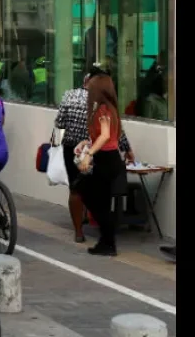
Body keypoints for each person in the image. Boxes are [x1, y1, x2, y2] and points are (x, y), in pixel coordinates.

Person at [55, 69, 134, 243]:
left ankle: (78, 231)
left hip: (73, 149)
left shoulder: (69, 96)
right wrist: (127, 149)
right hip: (98, 151)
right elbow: (115, 132)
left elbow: (59, 123)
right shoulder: (103, 103)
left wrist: (55, 145)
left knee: (75, 188)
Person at [74, 71, 127, 256]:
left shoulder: (103, 109)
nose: (88, 89)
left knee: (87, 192)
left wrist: (89, 153)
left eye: (91, 87)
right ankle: (107, 243)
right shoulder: (108, 108)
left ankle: (108, 241)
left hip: (107, 159)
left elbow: (105, 136)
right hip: (109, 158)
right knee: (99, 200)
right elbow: (104, 136)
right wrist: (86, 144)